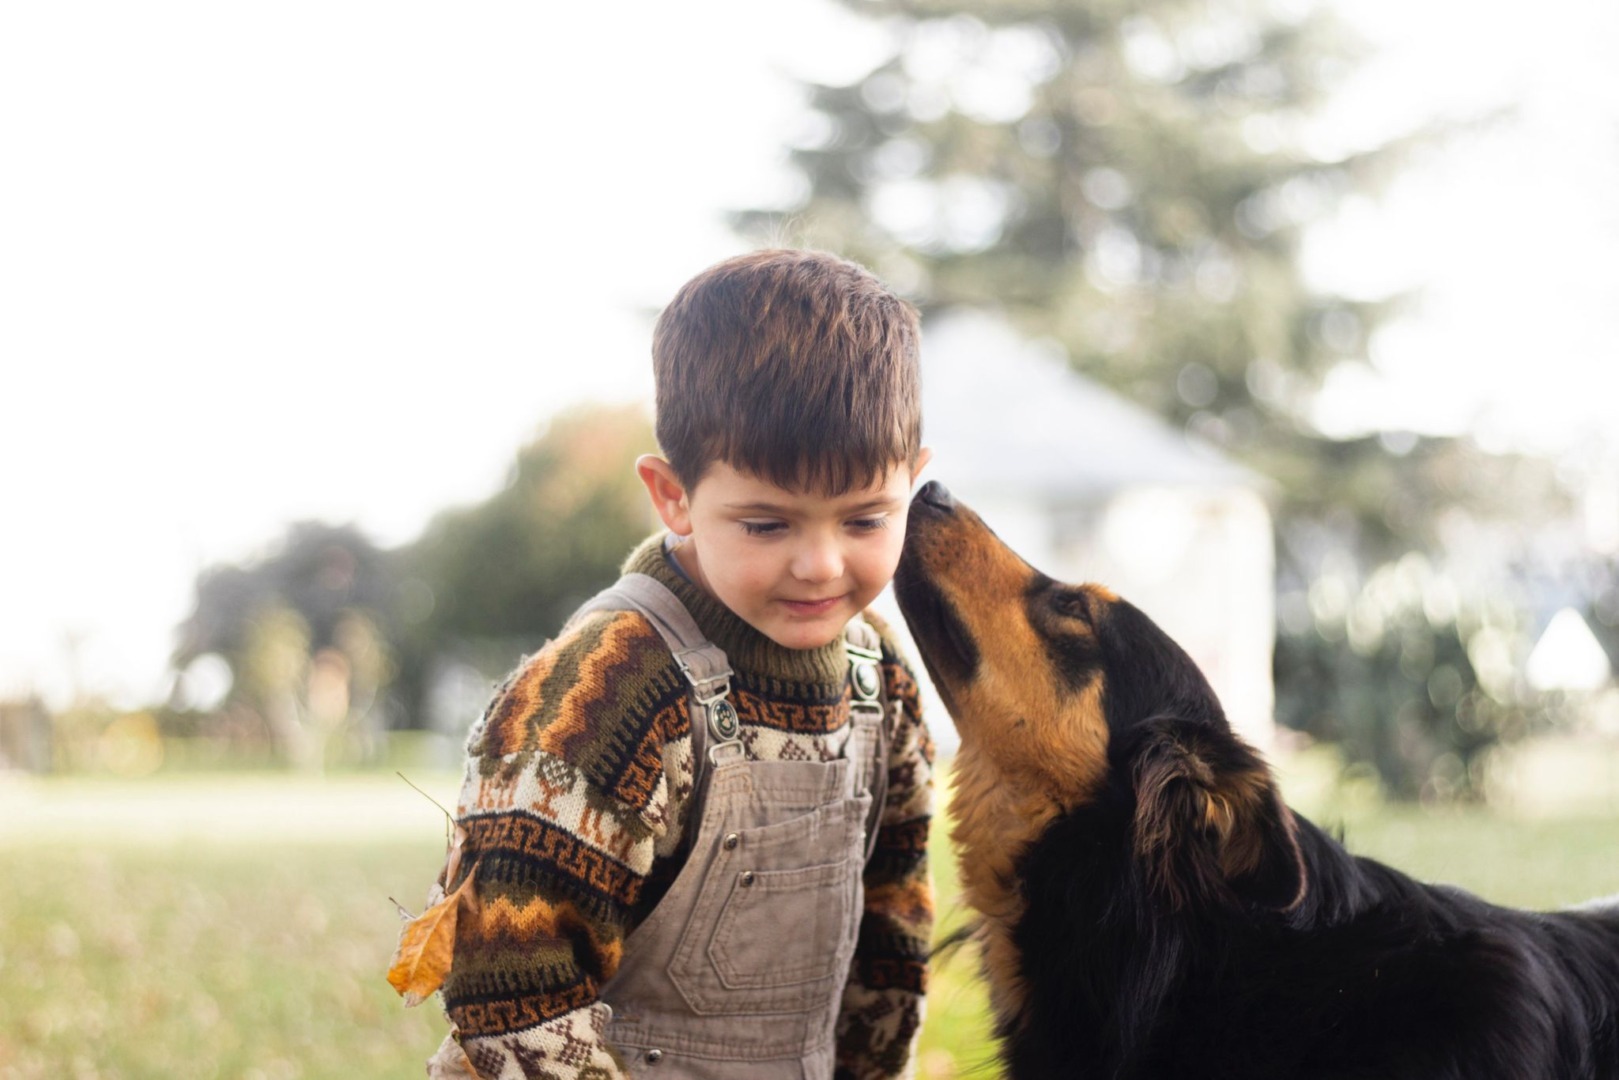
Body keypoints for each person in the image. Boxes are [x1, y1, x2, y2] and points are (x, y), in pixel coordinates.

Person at [416, 249, 936, 1079]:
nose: (820, 564)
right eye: (766, 525)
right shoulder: (601, 695)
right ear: (672, 496)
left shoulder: (882, 682)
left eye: (865, 520)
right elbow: (510, 999)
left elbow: (890, 945)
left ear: (913, 483)